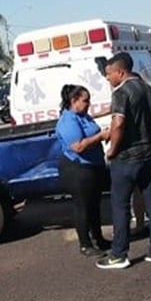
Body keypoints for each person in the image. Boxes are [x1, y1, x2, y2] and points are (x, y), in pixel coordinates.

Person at [97, 52, 151, 269]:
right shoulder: (147, 89)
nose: (108, 78)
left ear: (120, 72)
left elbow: (118, 123)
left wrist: (112, 149)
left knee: (120, 206)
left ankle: (119, 255)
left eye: (109, 74)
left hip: (126, 157)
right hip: (148, 153)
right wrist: (150, 137)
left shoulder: (121, 93)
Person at [55, 84, 111, 257]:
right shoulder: (68, 121)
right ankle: (85, 244)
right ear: (74, 101)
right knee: (83, 206)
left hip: (92, 166)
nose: (89, 104)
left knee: (94, 204)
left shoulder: (83, 116)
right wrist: (101, 136)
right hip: (77, 168)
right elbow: (78, 147)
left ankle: (98, 238)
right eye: (85, 100)